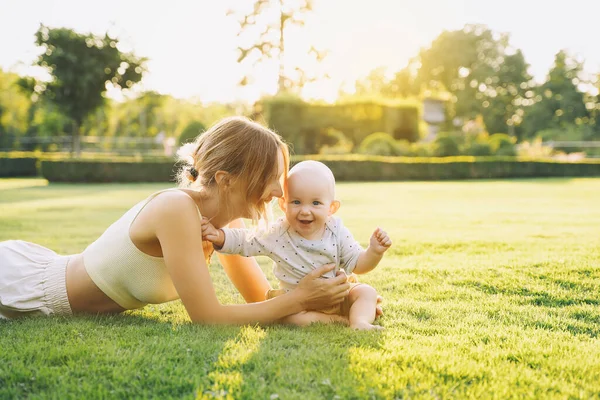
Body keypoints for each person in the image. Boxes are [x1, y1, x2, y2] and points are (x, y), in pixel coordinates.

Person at [0, 116, 382, 323]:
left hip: (41, 270)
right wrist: (301, 299)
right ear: (226, 180)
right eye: (270, 178)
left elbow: (263, 302)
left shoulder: (225, 229)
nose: (280, 193)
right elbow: (209, 317)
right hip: (23, 285)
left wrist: (337, 305)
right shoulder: (175, 210)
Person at [201, 160, 392, 330]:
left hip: (336, 295)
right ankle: (338, 321)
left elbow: (358, 264)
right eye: (296, 202)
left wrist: (374, 252)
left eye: (316, 203)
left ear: (331, 208)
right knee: (289, 319)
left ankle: (359, 322)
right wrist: (218, 235)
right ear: (284, 205)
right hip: (298, 304)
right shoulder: (278, 232)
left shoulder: (336, 230)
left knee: (366, 292)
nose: (305, 211)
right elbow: (246, 240)